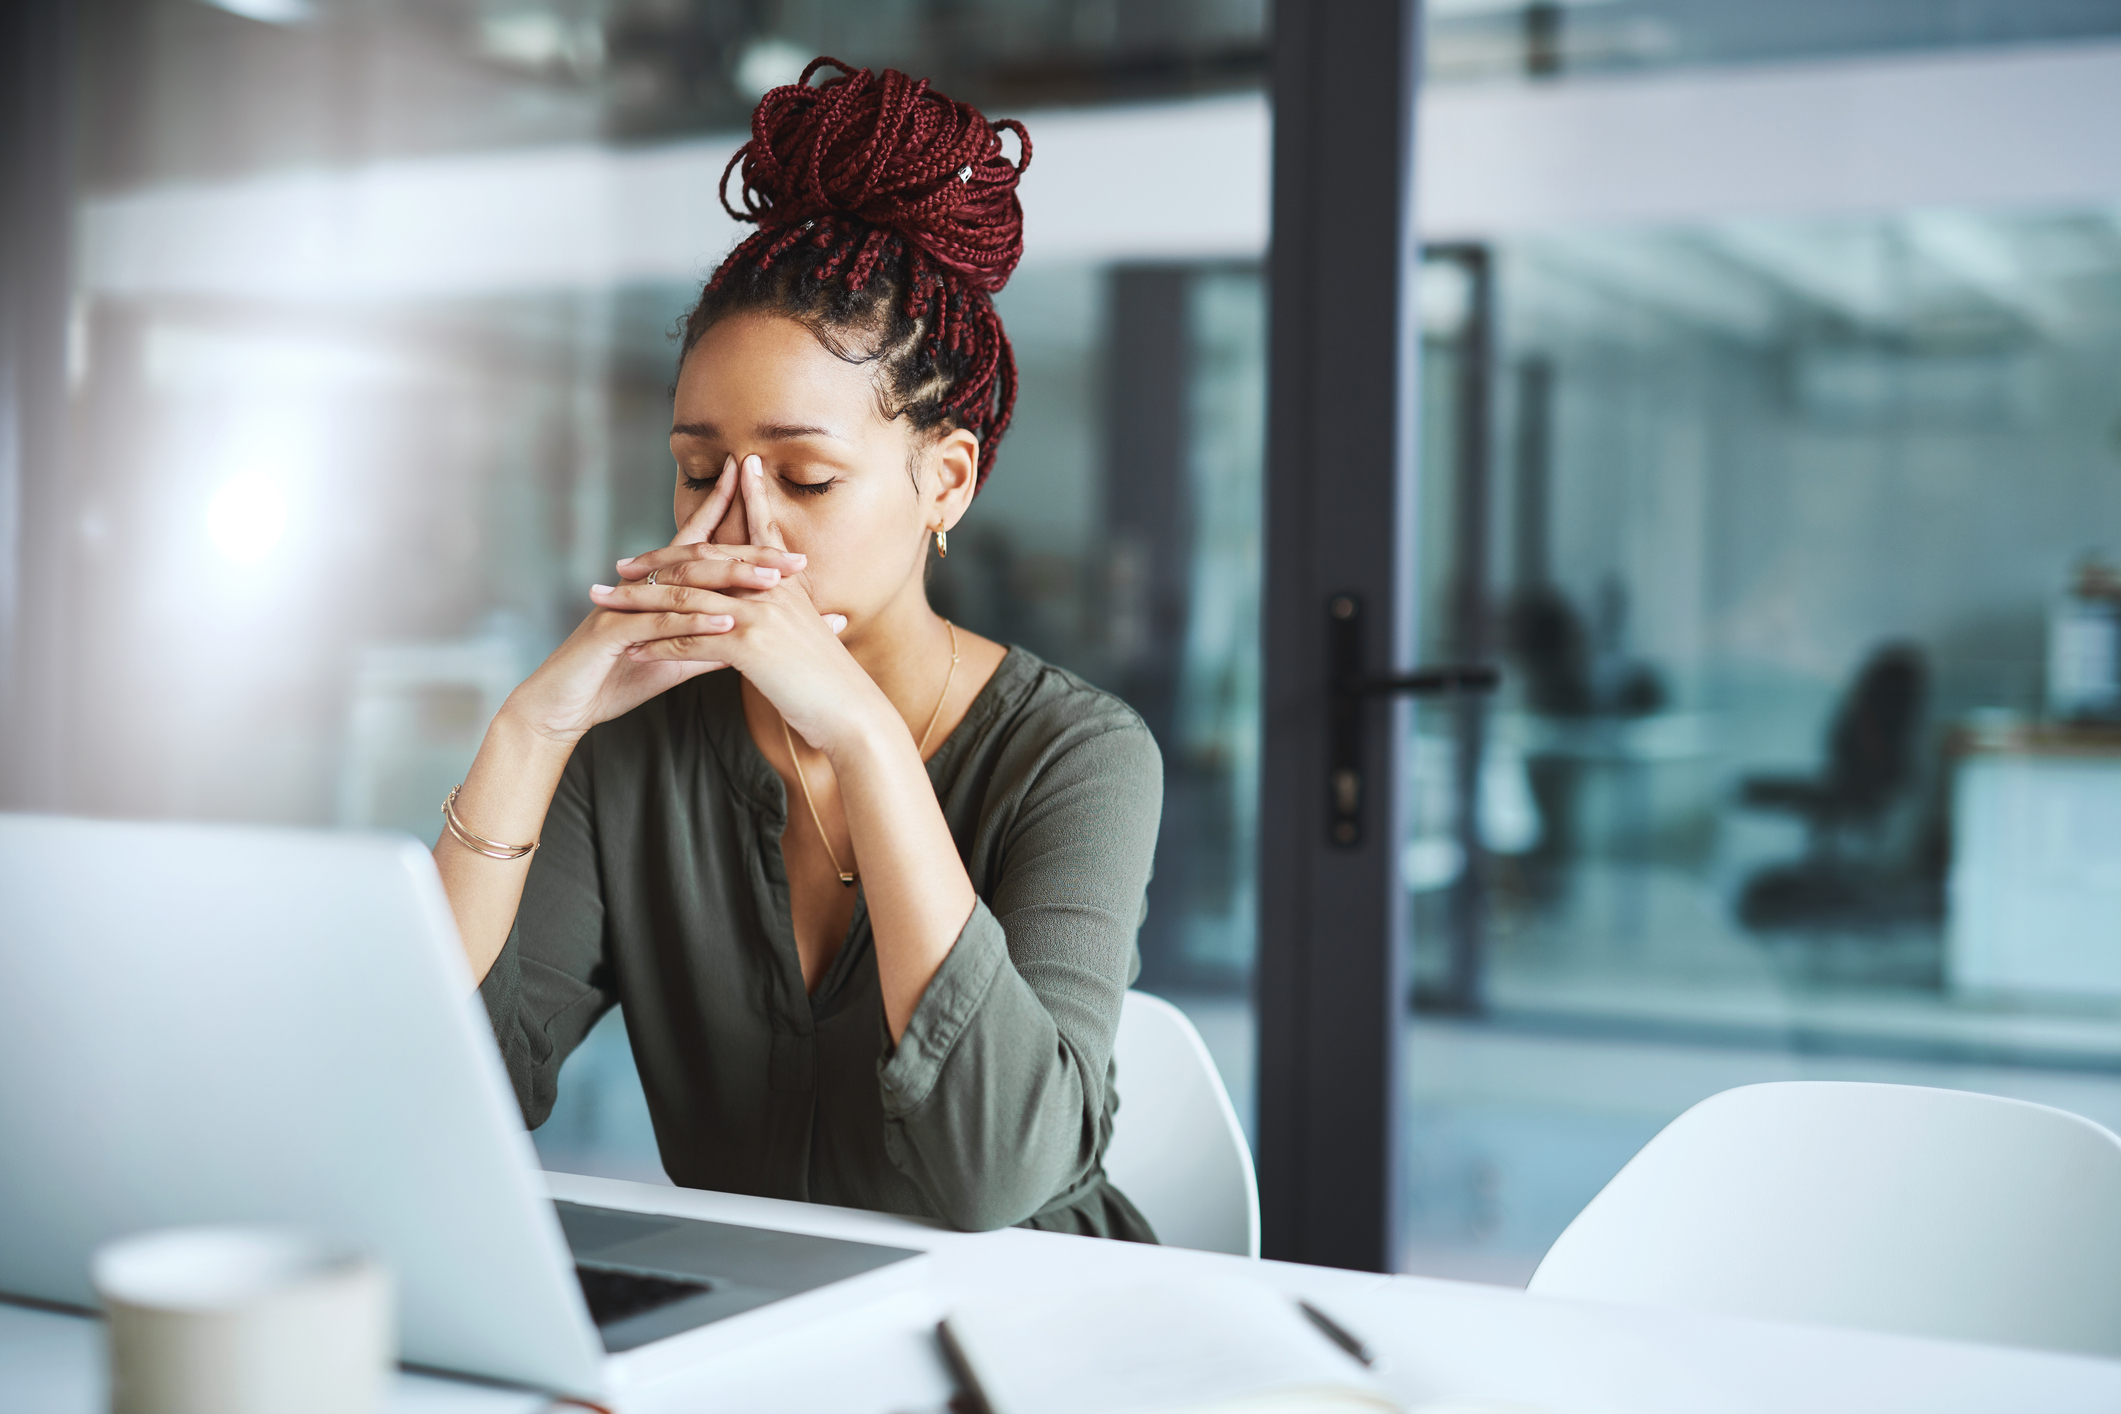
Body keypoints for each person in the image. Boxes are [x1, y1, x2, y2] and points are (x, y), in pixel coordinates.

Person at [434, 58, 1161, 1241]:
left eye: (807, 478)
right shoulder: (634, 749)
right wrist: (530, 733)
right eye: (697, 470)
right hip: (759, 1331)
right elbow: (451, 1094)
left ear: (948, 480)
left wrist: (866, 738)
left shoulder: (1079, 753)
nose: (734, 525)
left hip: (1031, 1326)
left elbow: (998, 1178)